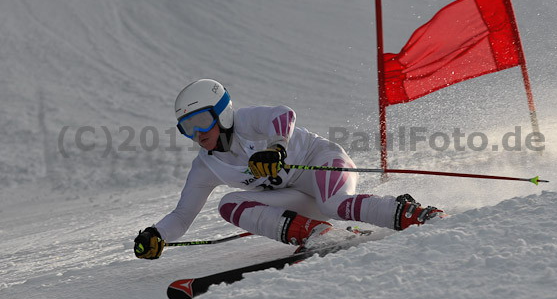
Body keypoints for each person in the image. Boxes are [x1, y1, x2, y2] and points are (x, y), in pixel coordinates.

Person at [134, 79, 443, 260]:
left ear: (222, 113)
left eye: (202, 120)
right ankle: (317, 234)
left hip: (324, 162)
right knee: (228, 204)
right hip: (297, 197)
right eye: (188, 127)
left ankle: (411, 213)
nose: (198, 133)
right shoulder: (206, 166)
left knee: (333, 204)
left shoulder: (246, 121)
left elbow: (284, 114)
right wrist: (157, 234)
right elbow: (182, 215)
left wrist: (277, 148)